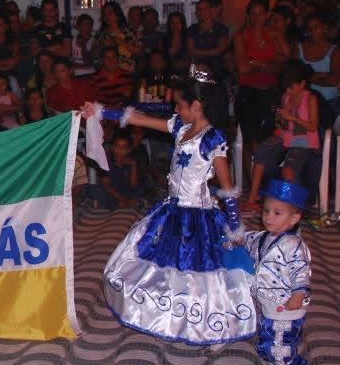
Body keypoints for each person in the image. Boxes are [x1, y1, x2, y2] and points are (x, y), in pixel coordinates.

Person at [98, 66, 254, 345]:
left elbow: (228, 187)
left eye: (180, 105)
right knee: (167, 266)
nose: (176, 109)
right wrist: (99, 113)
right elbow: (141, 119)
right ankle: (174, 316)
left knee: (200, 273)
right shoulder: (181, 126)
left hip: (199, 217)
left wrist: (234, 225)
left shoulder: (211, 140)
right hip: (173, 210)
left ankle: (212, 327)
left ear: (197, 106)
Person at [243, 179, 314, 365]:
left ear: (294, 218)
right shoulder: (262, 236)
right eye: (266, 211)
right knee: (266, 337)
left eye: (276, 213)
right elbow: (245, 239)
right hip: (268, 303)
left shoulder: (293, 245)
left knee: (280, 346)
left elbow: (301, 271)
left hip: (286, 307)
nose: (268, 217)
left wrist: (299, 292)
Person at [243, 63, 320, 211]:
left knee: (288, 170)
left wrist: (292, 117)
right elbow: (284, 124)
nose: (288, 90)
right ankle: (253, 196)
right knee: (261, 151)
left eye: (291, 87)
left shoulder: (310, 99)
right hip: (287, 137)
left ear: (302, 84)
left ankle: (290, 206)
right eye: (286, 87)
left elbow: (313, 126)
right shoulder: (286, 97)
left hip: (304, 140)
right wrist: (280, 124)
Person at [234, 0, 288, 178]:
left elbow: (286, 63)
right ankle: (254, 184)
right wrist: (270, 64)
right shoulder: (241, 37)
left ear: (267, 15)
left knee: (270, 139)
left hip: (271, 92)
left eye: (261, 12)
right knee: (251, 141)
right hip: (249, 93)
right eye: (254, 13)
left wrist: (256, 63)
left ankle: (265, 181)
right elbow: (242, 68)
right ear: (248, 16)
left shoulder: (274, 35)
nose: (257, 17)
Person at [298, 13, 340, 116]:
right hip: (304, 100)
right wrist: (323, 75)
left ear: (325, 27)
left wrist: (308, 78)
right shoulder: (298, 48)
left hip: (329, 100)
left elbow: (334, 80)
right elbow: (294, 76)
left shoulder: (334, 50)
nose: (313, 32)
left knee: (327, 131)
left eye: (316, 27)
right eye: (309, 29)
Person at [87, 128, 141, 210]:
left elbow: (133, 185)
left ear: (129, 150)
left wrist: (134, 166)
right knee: (95, 189)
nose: (120, 150)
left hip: (124, 190)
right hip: (110, 192)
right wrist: (122, 198)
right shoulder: (106, 162)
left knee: (139, 189)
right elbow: (106, 185)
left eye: (124, 147)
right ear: (112, 147)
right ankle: (122, 203)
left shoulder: (129, 162)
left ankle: (125, 203)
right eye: (117, 146)